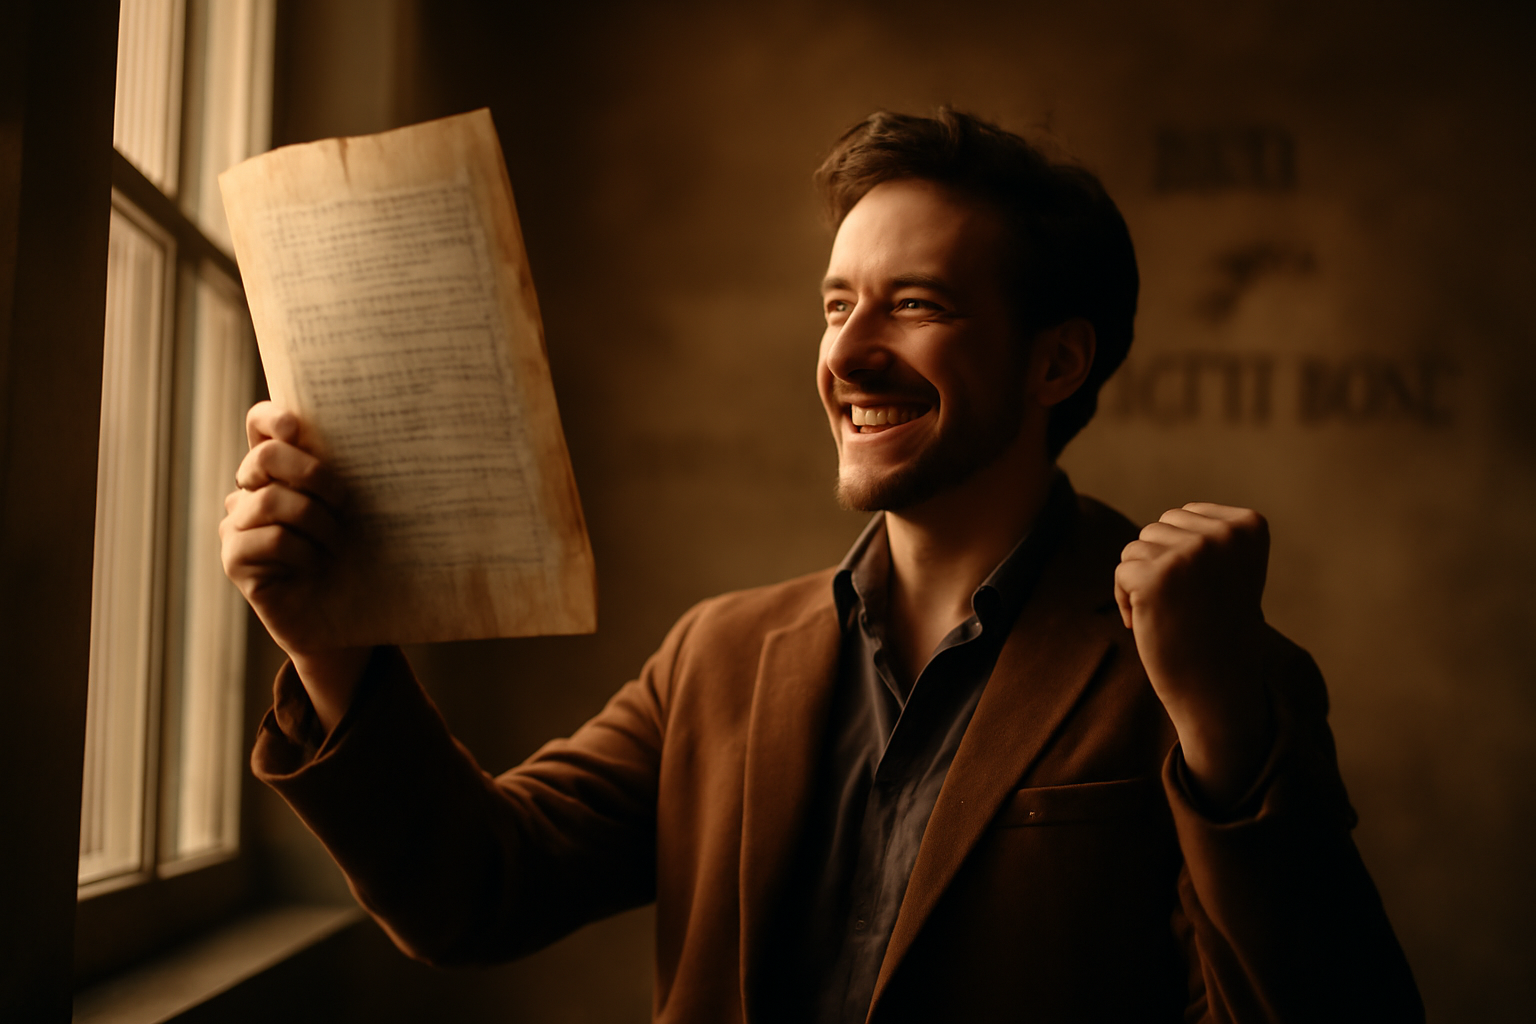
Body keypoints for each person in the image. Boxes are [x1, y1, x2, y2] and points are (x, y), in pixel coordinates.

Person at [222, 110, 1423, 1022]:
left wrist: (1214, 720)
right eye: (836, 303)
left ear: (1058, 364)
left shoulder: (1206, 663)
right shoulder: (717, 655)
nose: (849, 352)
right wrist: (330, 643)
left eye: (914, 304)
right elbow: (472, 890)